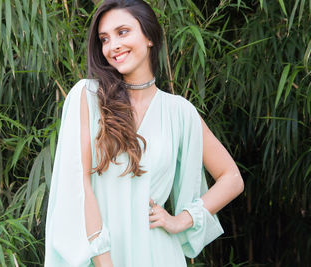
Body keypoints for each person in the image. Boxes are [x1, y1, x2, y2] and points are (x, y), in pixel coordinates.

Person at [44, 0, 244, 266]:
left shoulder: (180, 112)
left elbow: (232, 178)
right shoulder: (88, 97)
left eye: (122, 32)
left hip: (159, 254)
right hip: (102, 255)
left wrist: (182, 219)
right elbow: (80, 187)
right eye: (104, 39)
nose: (112, 45)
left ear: (149, 36)